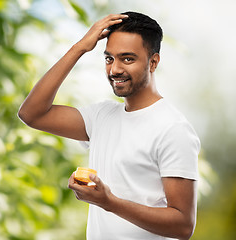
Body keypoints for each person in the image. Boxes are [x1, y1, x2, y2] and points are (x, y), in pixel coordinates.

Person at [18, 11, 200, 240]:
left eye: (127, 59)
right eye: (109, 58)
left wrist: (108, 202)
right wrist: (79, 48)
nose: (114, 70)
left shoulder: (173, 129)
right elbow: (31, 113)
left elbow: (183, 225)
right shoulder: (101, 116)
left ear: (153, 62)